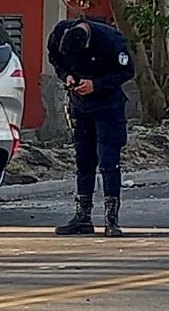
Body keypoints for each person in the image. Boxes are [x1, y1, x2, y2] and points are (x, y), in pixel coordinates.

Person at [47, 17, 135, 237]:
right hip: (80, 106)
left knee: (108, 162)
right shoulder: (60, 33)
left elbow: (127, 71)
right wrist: (66, 75)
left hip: (108, 106)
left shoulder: (111, 40)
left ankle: (111, 220)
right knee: (83, 161)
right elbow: (55, 58)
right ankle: (82, 217)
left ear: (88, 42)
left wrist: (96, 85)